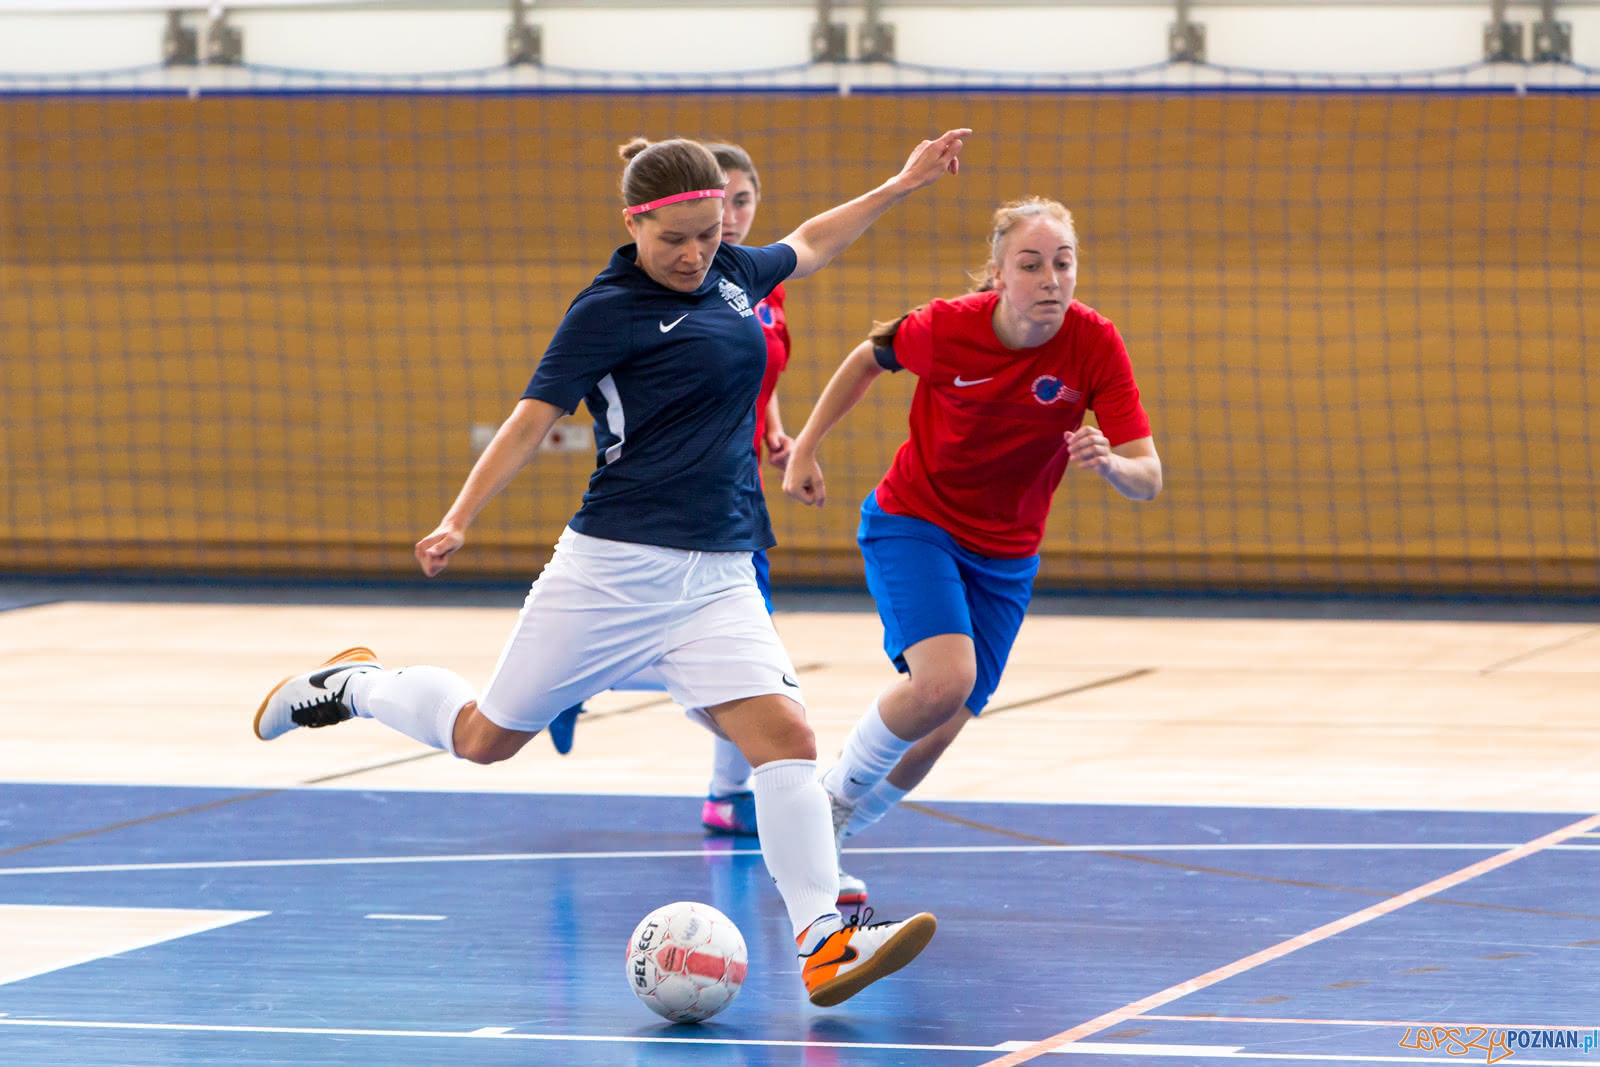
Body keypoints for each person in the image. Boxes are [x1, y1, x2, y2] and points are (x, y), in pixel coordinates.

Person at [252, 129, 969, 1008]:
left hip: (719, 572)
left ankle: (824, 939)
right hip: (611, 570)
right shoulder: (607, 309)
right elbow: (527, 421)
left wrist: (899, 182)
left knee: (786, 737)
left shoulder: (734, 276)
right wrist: (457, 518)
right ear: (635, 224)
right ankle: (355, 686)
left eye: (709, 234)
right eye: (676, 238)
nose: (696, 252)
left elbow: (812, 242)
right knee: (485, 739)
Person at [781, 197, 1163, 897]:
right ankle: (825, 805)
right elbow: (868, 357)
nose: (1050, 278)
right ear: (997, 273)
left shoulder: (1094, 343)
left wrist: (1110, 463)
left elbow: (1150, 478)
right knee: (942, 680)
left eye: (1063, 262)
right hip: (916, 521)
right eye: (1031, 263)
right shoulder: (946, 328)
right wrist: (805, 446)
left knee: (943, 724)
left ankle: (833, 834)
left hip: (1008, 554)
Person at [542, 143, 812, 856]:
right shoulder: (640, 296)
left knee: (737, 657)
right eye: (729, 200)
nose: (736, 216)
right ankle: (731, 795)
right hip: (669, 505)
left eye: (745, 202)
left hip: (737, 492)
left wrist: (780, 432)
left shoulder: (751, 284)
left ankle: (724, 791)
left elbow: (753, 374)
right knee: (744, 668)